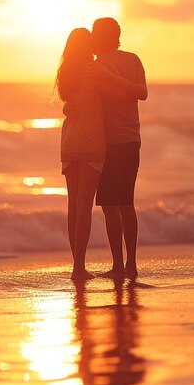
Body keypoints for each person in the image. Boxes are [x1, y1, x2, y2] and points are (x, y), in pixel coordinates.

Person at [87, 17, 148, 280]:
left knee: (115, 205)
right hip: (129, 139)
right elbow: (135, 93)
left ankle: (122, 266)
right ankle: (127, 265)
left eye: (94, 34)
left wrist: (108, 78)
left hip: (115, 141)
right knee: (124, 204)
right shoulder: (121, 62)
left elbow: (140, 93)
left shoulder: (107, 65)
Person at [57, 28, 110, 281]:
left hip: (69, 141)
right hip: (91, 141)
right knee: (84, 206)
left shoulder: (65, 73)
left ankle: (76, 265)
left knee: (73, 206)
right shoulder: (93, 71)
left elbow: (68, 103)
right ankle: (79, 267)